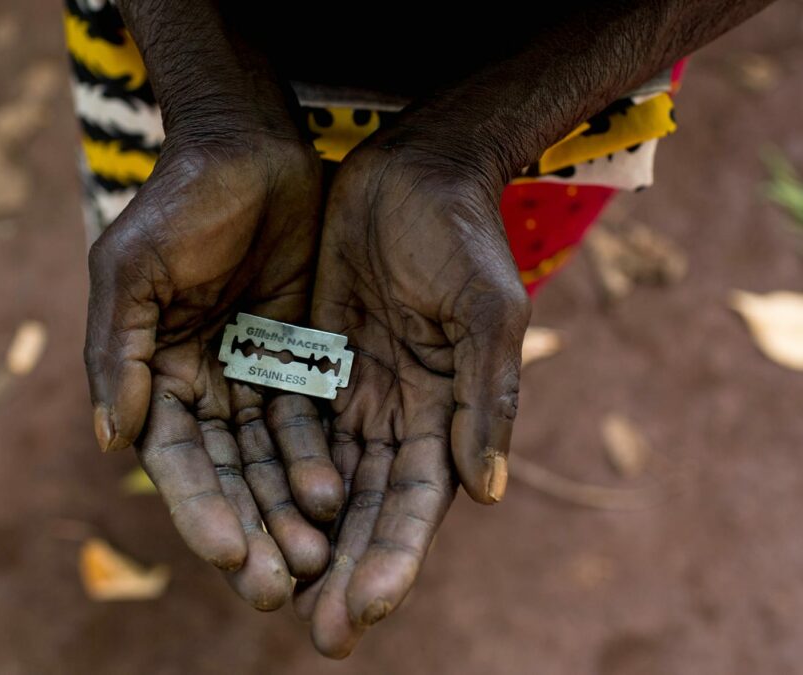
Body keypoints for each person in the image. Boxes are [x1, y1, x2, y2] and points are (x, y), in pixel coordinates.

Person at [66, 0, 772, 658]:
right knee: (171, 261)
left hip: (551, 100)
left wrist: (477, 143)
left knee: (464, 300)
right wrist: (211, 99)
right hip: (180, 66)